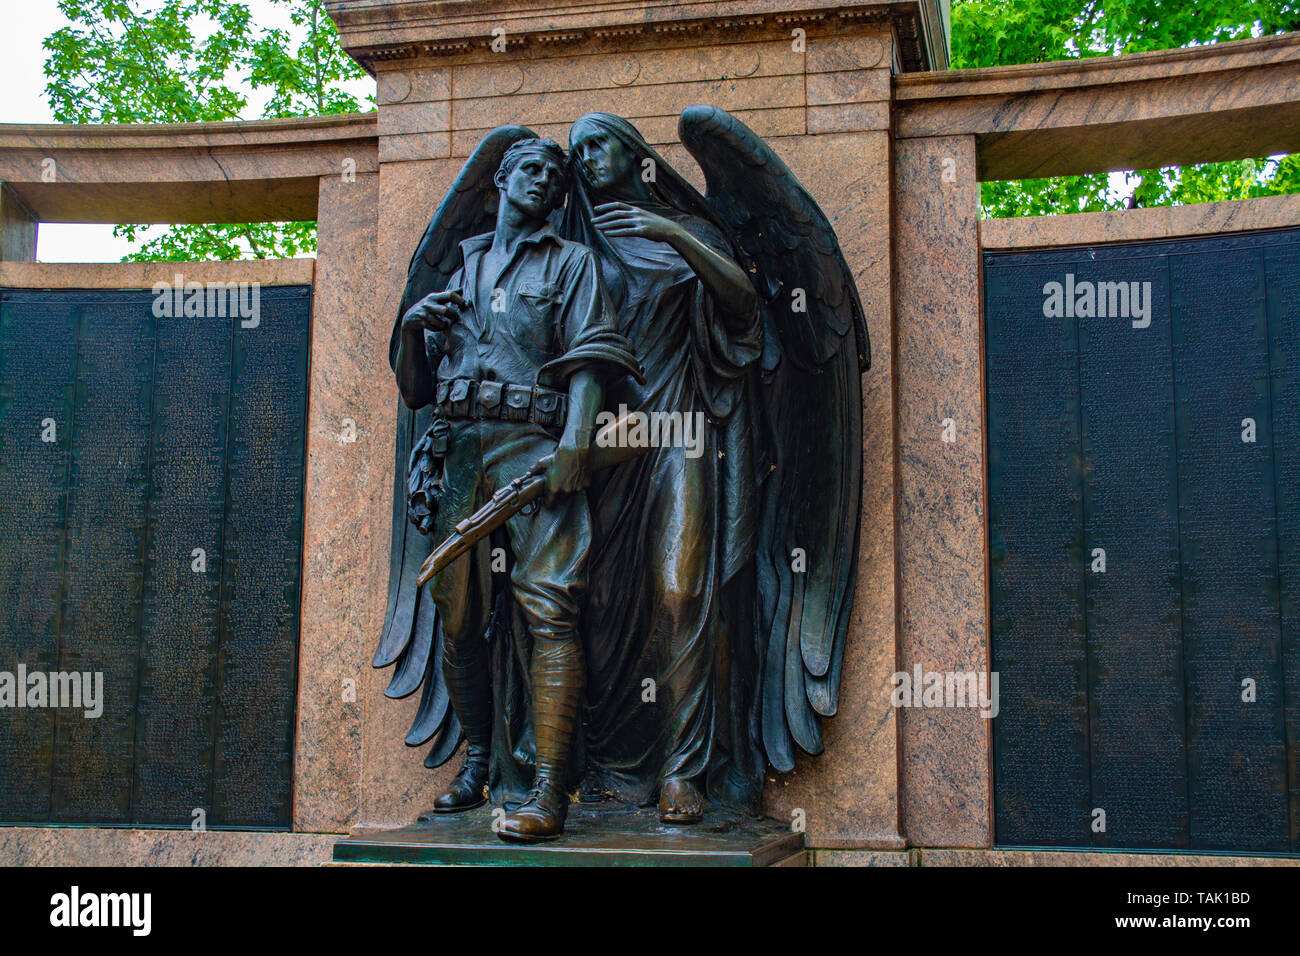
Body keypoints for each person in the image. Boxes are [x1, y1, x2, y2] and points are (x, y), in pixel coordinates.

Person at [393, 137, 640, 841]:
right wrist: (412, 329)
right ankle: (478, 764)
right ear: (502, 178)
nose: (544, 181)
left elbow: (593, 358)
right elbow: (415, 387)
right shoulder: (463, 264)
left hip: (535, 447)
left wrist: (575, 445)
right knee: (459, 615)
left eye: (556, 177)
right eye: (531, 168)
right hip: (461, 451)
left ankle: (549, 790)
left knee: (550, 609)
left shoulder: (572, 262)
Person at [562, 113, 767, 823]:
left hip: (680, 428)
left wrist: (676, 235)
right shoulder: (572, 242)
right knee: (602, 604)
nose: (588, 160)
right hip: (604, 443)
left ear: (635, 152)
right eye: (577, 150)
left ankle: (686, 771)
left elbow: (743, 305)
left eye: (600, 144)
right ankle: (612, 766)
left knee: (681, 590)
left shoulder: (690, 233)